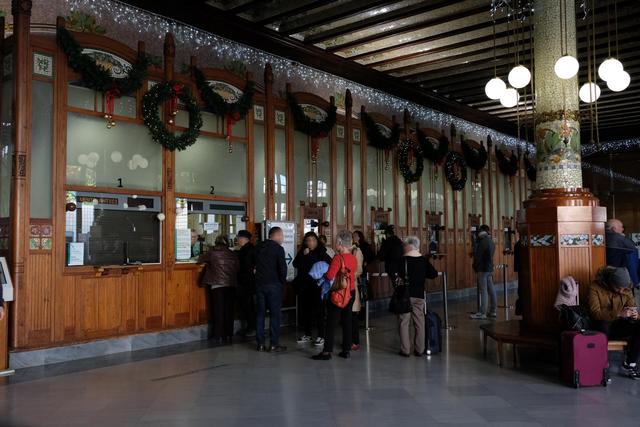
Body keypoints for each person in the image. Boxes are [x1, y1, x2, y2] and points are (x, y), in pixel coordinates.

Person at [313, 230, 358, 360]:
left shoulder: (338, 258)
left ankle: (327, 351)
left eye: (336, 241)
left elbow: (330, 276)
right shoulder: (353, 258)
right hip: (351, 291)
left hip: (338, 293)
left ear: (340, 243)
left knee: (331, 322)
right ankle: (346, 350)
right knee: (347, 320)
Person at [589, 266, 640, 379]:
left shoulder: (626, 288)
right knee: (603, 325)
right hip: (600, 325)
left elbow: (633, 307)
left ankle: (630, 364)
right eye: (618, 288)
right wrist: (618, 313)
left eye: (624, 288)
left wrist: (635, 315)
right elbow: (595, 313)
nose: (621, 291)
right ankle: (602, 366)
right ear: (611, 283)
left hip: (618, 326)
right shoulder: (595, 287)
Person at [397, 236, 438, 357]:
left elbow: (396, 274)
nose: (404, 247)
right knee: (419, 322)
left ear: (409, 246)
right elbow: (433, 274)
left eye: (405, 245)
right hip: (419, 295)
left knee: (404, 322)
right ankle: (420, 349)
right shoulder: (423, 260)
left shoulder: (402, 260)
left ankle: (405, 350)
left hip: (405, 295)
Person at [198, 235, 239, 342]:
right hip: (231, 285)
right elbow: (238, 267)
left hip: (217, 285)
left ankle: (217, 335)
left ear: (216, 242)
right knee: (229, 311)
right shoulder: (233, 253)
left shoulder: (212, 253)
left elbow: (199, 260)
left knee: (218, 310)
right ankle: (229, 334)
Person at [293, 231, 331, 346]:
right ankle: (308, 334)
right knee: (306, 311)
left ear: (317, 241)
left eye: (313, 240)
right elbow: (295, 264)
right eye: (308, 240)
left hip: (317, 286)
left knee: (320, 311)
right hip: (305, 286)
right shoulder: (303, 252)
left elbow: (330, 264)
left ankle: (321, 335)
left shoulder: (321, 252)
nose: (310, 243)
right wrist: (303, 255)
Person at [254, 226, 288, 352]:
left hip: (259, 285)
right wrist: (282, 283)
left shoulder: (258, 247)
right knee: (275, 316)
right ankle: (274, 344)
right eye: (282, 235)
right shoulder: (278, 249)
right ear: (277, 235)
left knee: (260, 315)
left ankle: (260, 344)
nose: (282, 238)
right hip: (274, 286)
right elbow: (282, 269)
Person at [470, 224, 497, 320]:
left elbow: (478, 256)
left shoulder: (482, 242)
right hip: (489, 268)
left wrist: (475, 266)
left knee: (484, 290)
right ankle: (493, 310)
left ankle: (482, 312)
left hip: (482, 269)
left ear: (481, 231)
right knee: (491, 289)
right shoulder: (490, 241)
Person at [606, 219, 639, 287]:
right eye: (621, 227)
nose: (623, 229)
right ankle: (634, 281)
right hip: (617, 269)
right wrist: (624, 236)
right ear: (614, 229)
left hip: (606, 266)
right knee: (632, 253)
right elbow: (633, 246)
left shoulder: (603, 235)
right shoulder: (618, 238)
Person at [235, 230, 256, 337]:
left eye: (238, 238)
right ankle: (249, 327)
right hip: (247, 283)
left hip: (247, 283)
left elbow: (246, 267)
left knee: (248, 306)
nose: (237, 240)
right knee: (247, 306)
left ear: (243, 239)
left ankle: (251, 328)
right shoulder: (248, 249)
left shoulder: (247, 251)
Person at [350, 238, 364, 351]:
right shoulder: (341, 251)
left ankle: (354, 341)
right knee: (347, 316)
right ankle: (348, 340)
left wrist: (348, 276)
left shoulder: (356, 251)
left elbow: (359, 270)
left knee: (353, 316)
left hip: (352, 285)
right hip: (343, 287)